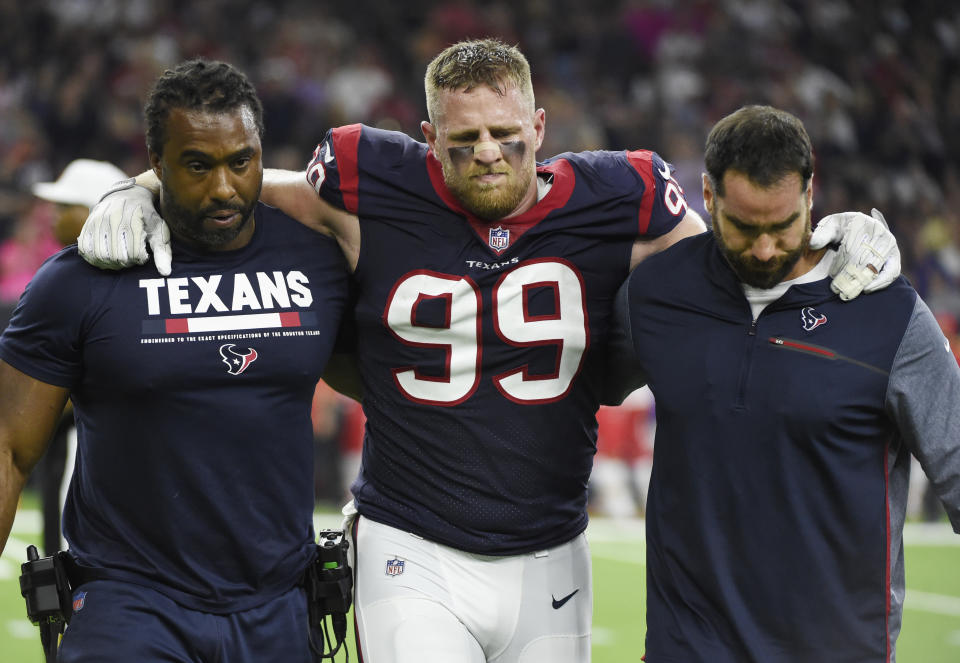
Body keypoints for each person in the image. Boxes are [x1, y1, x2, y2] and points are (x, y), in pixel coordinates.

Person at [77, 40, 900, 662]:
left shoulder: (626, 193)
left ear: (541, 126)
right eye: (463, 140)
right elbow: (248, 185)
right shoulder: (371, 175)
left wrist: (833, 240)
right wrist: (140, 187)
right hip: (413, 543)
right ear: (427, 134)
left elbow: (742, 258)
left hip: (552, 547)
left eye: (508, 136)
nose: (488, 156)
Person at [0, 59, 349, 662]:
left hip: (278, 606)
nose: (223, 187)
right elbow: (9, 448)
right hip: (127, 604)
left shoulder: (321, 262)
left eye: (241, 161)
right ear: (156, 164)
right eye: (197, 164)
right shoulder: (80, 280)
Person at [607, 104, 960, 662]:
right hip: (686, 649)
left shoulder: (888, 314)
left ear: (811, 195)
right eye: (745, 227)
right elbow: (565, 391)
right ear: (708, 193)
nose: (766, 249)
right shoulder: (655, 294)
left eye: (782, 225)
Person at [29, 158, 129, 556]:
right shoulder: (67, 272)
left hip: (90, 434)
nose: (53, 216)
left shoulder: (111, 279)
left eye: (64, 206)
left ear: (94, 210)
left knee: (78, 551)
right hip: (63, 432)